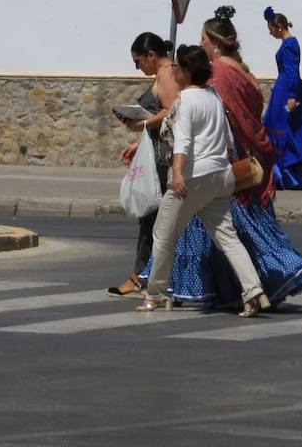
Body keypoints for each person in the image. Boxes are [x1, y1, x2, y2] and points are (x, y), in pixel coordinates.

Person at [203, 6, 302, 304]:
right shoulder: (241, 69)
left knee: (236, 229)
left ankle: (259, 282)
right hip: (255, 138)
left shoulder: (222, 71)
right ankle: (236, 286)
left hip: (236, 153)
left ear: (215, 42)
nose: (201, 44)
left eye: (203, 38)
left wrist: (292, 95)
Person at [138, 44, 269, 317]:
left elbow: (182, 141)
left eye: (177, 67)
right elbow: (228, 139)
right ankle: (254, 292)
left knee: (163, 233)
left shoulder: (186, 101)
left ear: (186, 72)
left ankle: (156, 294)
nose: (173, 71)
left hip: (193, 176)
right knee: (227, 237)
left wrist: (176, 174)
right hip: (221, 176)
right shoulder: (213, 97)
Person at [108, 33, 177, 299]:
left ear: (151, 55)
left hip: (163, 160)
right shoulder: (164, 74)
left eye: (138, 62)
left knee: (150, 218)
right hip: (156, 152)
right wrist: (139, 142)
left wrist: (141, 125)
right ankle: (145, 276)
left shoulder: (166, 74)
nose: (139, 68)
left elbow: (171, 111)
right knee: (152, 220)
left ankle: (141, 277)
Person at [262, 6, 302, 189]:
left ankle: (296, 175)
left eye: (271, 29)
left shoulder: (290, 44)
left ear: (279, 27)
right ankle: (289, 174)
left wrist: (291, 95)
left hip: (288, 90)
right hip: (283, 88)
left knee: (289, 129)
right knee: (285, 129)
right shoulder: (287, 44)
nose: (270, 33)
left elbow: (292, 69)